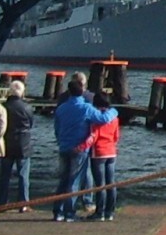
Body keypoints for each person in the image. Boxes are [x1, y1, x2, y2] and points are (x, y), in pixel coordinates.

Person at [51, 73, 108, 222]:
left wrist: (60, 141)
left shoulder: (61, 108)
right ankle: (69, 213)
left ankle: (58, 211)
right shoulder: (86, 108)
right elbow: (103, 119)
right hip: (80, 148)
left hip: (64, 146)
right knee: (74, 180)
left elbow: (57, 128)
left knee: (63, 180)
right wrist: (114, 111)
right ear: (82, 90)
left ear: (69, 92)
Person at [82, 87, 122, 221]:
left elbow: (93, 137)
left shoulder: (97, 119)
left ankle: (100, 212)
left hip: (98, 152)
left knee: (100, 184)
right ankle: (110, 212)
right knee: (111, 183)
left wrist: (81, 147)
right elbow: (116, 136)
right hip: (111, 151)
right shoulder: (114, 118)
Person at [0, 79, 35, 208]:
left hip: (7, 142)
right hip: (23, 144)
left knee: (4, 175)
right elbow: (30, 123)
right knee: (23, 175)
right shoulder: (27, 107)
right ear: (22, 92)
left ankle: (2, 202)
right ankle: (23, 203)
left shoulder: (3, 107)